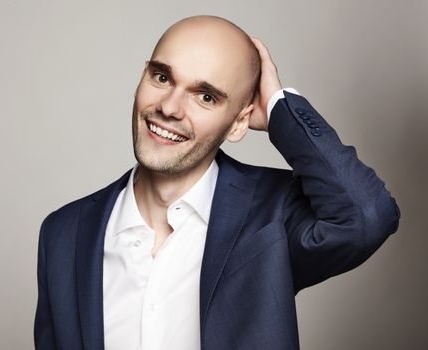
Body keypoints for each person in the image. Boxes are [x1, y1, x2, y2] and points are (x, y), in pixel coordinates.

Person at [34, 15, 400, 350]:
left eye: (205, 96)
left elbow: (367, 217)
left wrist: (279, 109)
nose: (170, 107)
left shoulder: (270, 219)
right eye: (162, 78)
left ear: (239, 123)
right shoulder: (63, 233)